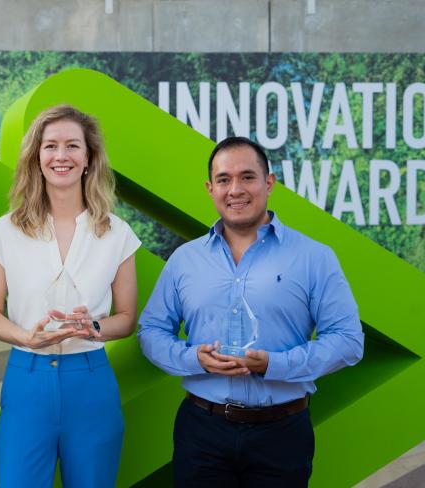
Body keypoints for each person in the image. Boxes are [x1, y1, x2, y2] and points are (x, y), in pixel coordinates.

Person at [138, 136, 364, 487]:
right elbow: (151, 332)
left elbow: (348, 341)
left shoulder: (314, 257)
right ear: (210, 188)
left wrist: (276, 365)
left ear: (269, 183)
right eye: (224, 179)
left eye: (247, 177)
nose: (235, 189)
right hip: (202, 431)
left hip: (282, 434)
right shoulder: (185, 259)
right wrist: (194, 358)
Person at [0, 104, 140, 487]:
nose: (61, 156)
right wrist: (26, 337)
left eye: (73, 146)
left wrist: (95, 327)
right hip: (27, 378)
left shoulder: (116, 233)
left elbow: (126, 317)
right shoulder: (6, 230)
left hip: (91, 381)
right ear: (37, 157)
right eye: (50, 146)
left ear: (89, 158)